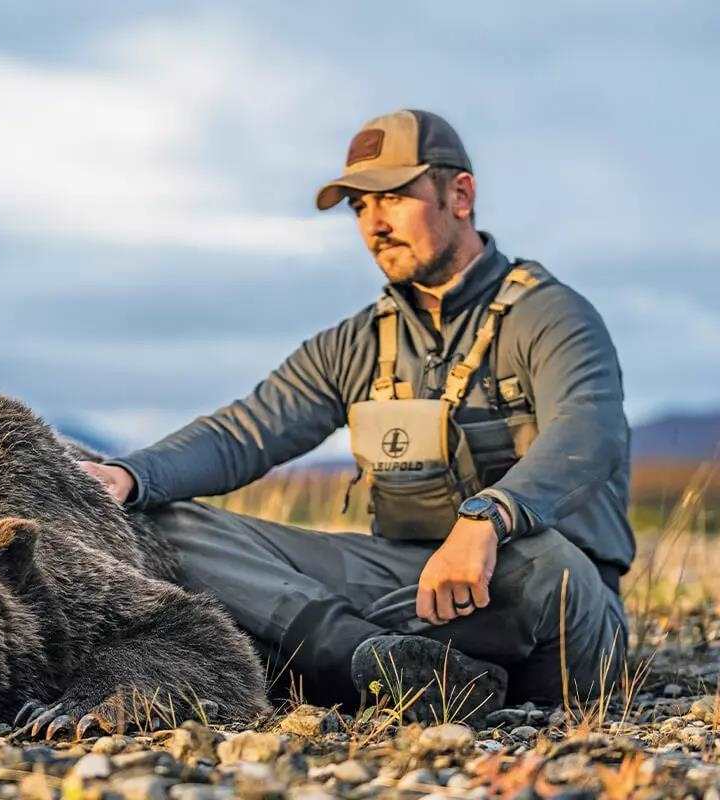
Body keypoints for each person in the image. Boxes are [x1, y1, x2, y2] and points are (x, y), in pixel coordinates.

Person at [79, 109, 632, 717]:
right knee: (163, 522)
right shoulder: (356, 343)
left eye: (394, 197)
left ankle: (319, 652)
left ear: (461, 195)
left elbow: (587, 432)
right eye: (359, 208)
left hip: (544, 598)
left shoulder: (552, 317)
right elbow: (246, 431)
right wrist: (130, 476)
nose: (375, 224)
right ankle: (365, 657)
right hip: (404, 581)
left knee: (549, 564)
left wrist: (488, 517)